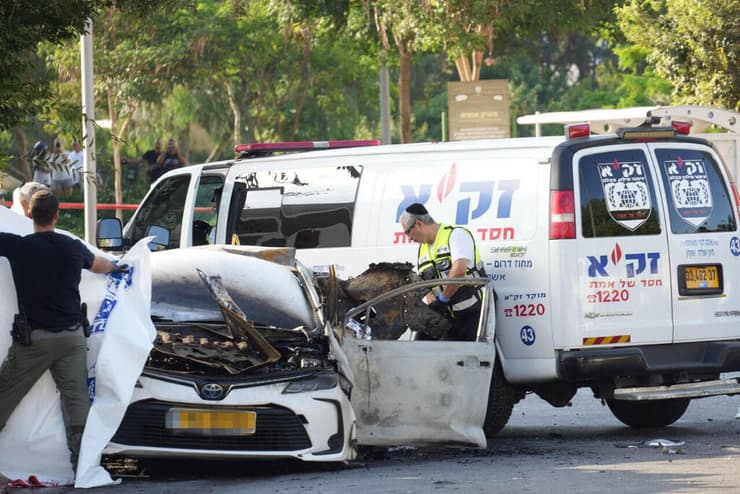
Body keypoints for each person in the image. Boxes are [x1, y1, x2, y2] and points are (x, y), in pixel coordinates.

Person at [0, 190, 125, 473]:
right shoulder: (72, 247)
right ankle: (83, 465)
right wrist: (121, 267)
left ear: (29, 215)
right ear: (57, 215)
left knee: (4, 396)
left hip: (34, 342)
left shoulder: (19, 247)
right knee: (77, 401)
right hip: (72, 339)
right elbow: (101, 265)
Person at [400, 203, 487, 341]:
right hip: (449, 317)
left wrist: (442, 300)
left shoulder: (456, 234)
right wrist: (432, 306)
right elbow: (426, 284)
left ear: (418, 224)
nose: (409, 238)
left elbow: (459, 271)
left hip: (475, 313)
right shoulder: (423, 249)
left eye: (408, 232)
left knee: (474, 359)